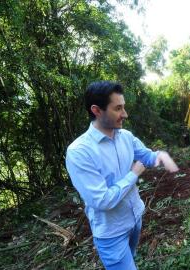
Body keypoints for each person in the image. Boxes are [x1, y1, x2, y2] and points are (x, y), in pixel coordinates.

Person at [66, 81, 179, 270]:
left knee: (131, 259)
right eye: (118, 108)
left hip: (135, 218)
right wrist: (134, 174)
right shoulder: (79, 152)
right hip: (111, 233)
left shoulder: (125, 136)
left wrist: (161, 156)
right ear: (97, 110)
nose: (125, 114)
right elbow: (102, 201)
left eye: (124, 107)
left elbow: (147, 156)